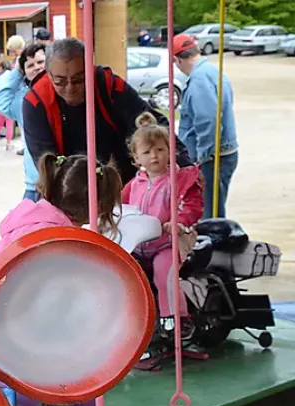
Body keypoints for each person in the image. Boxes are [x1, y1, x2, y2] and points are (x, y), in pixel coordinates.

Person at [0, 153, 124, 406]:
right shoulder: (63, 239)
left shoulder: (23, 223)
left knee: (23, 400)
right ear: (97, 208)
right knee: (86, 388)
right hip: (32, 347)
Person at [22, 38, 193, 186]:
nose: (70, 88)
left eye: (79, 79)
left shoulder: (109, 85)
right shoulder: (36, 102)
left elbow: (152, 124)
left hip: (124, 182)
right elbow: (46, 161)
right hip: (71, 188)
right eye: (60, 81)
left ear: (91, 69)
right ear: (49, 75)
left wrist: (186, 169)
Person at [122, 112, 204, 367]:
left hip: (168, 242)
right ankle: (133, 321)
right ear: (137, 159)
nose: (154, 156)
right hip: (139, 243)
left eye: (160, 149)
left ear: (170, 151)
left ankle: (175, 318)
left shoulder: (179, 180)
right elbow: (120, 206)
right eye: (147, 152)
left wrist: (178, 221)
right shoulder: (134, 183)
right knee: (124, 272)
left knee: (163, 271)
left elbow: (192, 204)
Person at [172, 34, 239, 219]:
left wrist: (201, 156)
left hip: (213, 158)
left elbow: (208, 120)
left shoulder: (199, 80)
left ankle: (216, 246)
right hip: (222, 154)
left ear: (177, 60)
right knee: (214, 208)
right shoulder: (213, 72)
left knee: (209, 215)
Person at [0, 43, 47, 201]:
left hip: (66, 181)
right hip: (35, 185)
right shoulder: (24, 100)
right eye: (30, 65)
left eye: (41, 62)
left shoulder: (68, 94)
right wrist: (16, 72)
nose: (36, 67)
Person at [0, 60, 15, 152]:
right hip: (10, 102)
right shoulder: (12, 77)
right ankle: (9, 143)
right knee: (9, 123)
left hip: (0, 103)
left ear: (1, 68)